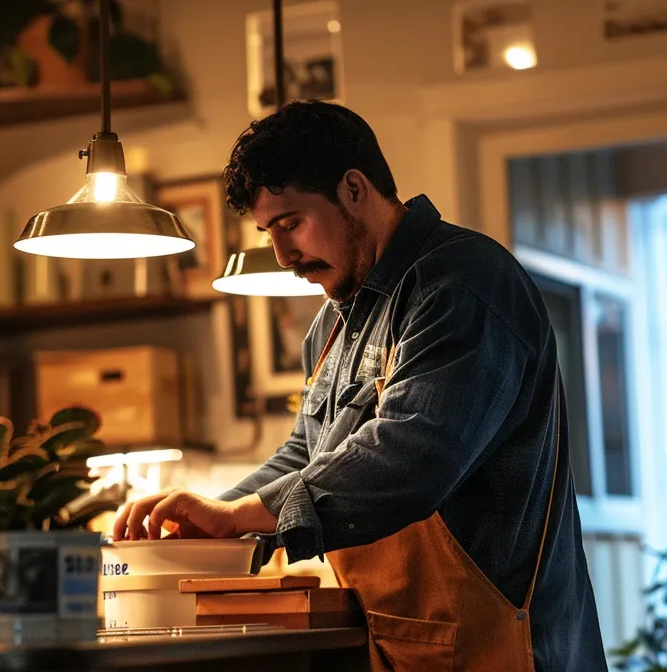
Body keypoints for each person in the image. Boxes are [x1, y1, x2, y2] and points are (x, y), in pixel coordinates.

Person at [112, 101, 607, 671]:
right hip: (400, 646)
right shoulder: (334, 320)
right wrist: (210, 516)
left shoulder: (462, 284)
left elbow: (414, 453)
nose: (282, 254)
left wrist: (244, 515)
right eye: (268, 231)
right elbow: (305, 454)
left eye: (291, 223)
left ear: (353, 188)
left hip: (505, 651)